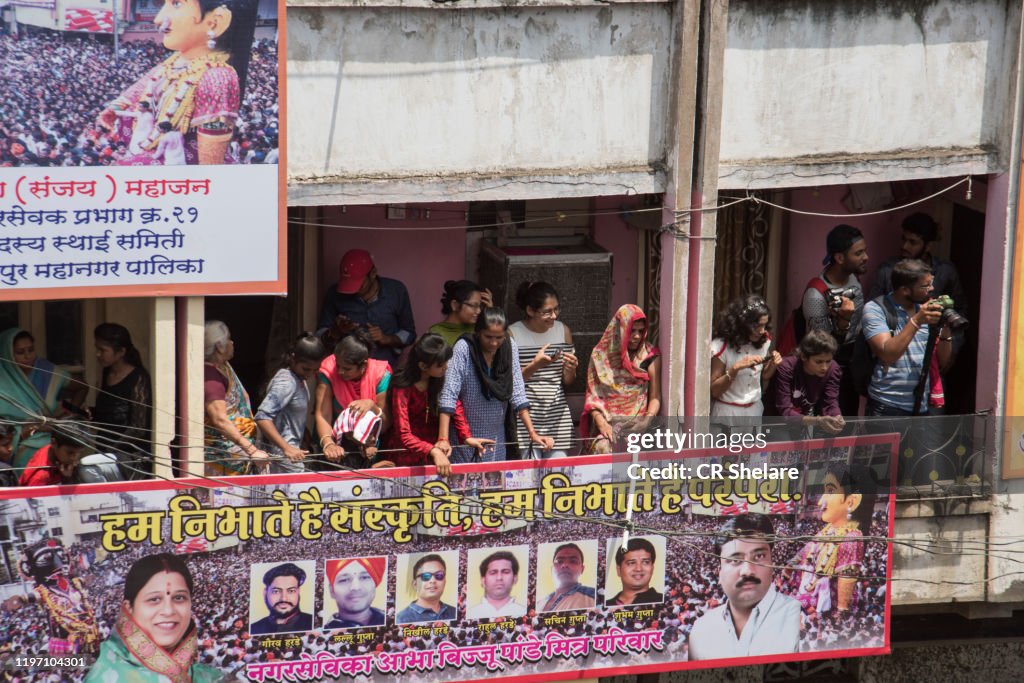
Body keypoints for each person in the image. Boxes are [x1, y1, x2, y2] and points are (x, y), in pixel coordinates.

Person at [97, 0, 259, 165]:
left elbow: (211, 167)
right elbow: (140, 89)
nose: (158, 19)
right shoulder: (172, 63)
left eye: (176, 4)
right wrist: (115, 109)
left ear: (215, 22)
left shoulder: (217, 76)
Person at [437, 308, 553, 462]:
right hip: (465, 436)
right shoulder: (464, 348)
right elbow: (449, 394)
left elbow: (518, 392)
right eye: (488, 337)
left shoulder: (509, 346)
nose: (493, 342)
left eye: (499, 337)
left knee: (495, 482)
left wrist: (533, 433)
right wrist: (443, 438)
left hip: (497, 436)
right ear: (478, 332)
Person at [85, 553, 219, 682]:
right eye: (154, 599)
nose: (168, 611)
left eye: (179, 598)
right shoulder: (100, 674)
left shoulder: (213, 677)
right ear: (129, 608)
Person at [688, 514, 801, 660]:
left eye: (759, 556)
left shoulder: (799, 619)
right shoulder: (701, 630)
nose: (748, 570)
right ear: (719, 573)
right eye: (735, 559)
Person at [386, 333, 488, 473]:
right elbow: (403, 434)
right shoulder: (403, 387)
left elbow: (454, 405)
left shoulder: (440, 379)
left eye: (447, 362)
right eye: (441, 364)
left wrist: (466, 437)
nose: (446, 367)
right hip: (406, 455)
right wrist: (432, 450)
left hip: (437, 452)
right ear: (423, 365)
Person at [863, 259, 952, 416]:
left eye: (931, 283)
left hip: (920, 406)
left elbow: (942, 363)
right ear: (905, 290)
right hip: (887, 406)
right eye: (925, 286)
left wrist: (945, 329)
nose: (931, 289)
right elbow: (887, 355)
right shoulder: (876, 309)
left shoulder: (927, 309)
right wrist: (917, 320)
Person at [802, 224, 869, 415]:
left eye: (865, 251)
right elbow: (823, 346)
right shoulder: (816, 295)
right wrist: (842, 322)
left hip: (852, 365)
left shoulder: (853, 278)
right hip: (827, 369)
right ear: (840, 258)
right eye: (859, 253)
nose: (866, 257)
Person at [792, 464, 877, 613]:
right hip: (808, 603)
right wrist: (785, 571)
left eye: (830, 491)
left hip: (827, 611)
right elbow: (801, 556)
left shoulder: (852, 537)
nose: (820, 502)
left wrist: (841, 612)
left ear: (851, 501)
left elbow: (846, 581)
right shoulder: (824, 533)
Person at [508, 282, 578, 458]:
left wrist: (571, 369)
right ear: (530, 311)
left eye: (556, 309)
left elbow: (568, 381)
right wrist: (535, 366)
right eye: (547, 312)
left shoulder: (564, 331)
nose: (554, 316)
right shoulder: (512, 334)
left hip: (557, 414)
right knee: (529, 477)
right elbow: (510, 383)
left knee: (559, 476)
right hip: (526, 417)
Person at [582, 305, 661, 454]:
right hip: (606, 426)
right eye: (632, 330)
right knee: (603, 448)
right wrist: (603, 425)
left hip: (637, 427)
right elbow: (592, 398)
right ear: (620, 329)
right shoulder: (600, 356)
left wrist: (647, 421)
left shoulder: (650, 356)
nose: (637, 336)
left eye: (640, 331)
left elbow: (655, 397)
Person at [869, 213, 968, 328]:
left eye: (913, 242)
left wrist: (948, 340)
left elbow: (959, 309)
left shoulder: (945, 271)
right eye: (904, 239)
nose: (905, 246)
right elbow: (873, 309)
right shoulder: (886, 271)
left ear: (928, 246)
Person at [318, 250, 415, 363]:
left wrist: (387, 338)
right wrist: (335, 331)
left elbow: (409, 333)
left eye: (360, 284)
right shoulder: (335, 294)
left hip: (384, 369)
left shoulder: (396, 291)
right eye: (349, 284)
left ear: (373, 273)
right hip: (347, 369)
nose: (355, 290)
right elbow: (319, 335)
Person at [314, 332, 391, 468]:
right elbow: (323, 415)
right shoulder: (328, 371)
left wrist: (371, 406)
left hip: (371, 445)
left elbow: (385, 423)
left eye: (347, 369)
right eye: (338, 365)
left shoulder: (381, 374)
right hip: (335, 444)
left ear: (363, 365)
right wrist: (329, 443)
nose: (340, 372)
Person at [0, 328, 73, 469]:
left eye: (31, 350)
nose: (27, 356)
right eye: (20, 352)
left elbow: (82, 387)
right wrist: (24, 431)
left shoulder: (46, 371)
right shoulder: (2, 380)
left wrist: (68, 413)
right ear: (7, 354)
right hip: (14, 447)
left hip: (51, 442)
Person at [203, 321, 268, 476]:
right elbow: (220, 420)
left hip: (238, 453)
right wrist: (251, 450)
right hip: (222, 457)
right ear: (219, 346)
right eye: (229, 339)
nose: (232, 343)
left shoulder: (223, 366)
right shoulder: (211, 377)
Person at [255, 333, 325, 474]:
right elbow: (262, 417)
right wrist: (286, 447)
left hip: (293, 454)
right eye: (306, 369)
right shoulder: (286, 382)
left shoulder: (299, 379)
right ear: (293, 359)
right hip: (282, 458)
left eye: (315, 370)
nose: (310, 374)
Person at [92, 323, 153, 479]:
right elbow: (109, 412)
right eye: (97, 349)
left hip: (129, 457)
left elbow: (139, 428)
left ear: (121, 352)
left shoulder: (139, 378)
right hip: (105, 451)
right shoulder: (106, 372)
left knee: (88, 470)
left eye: (103, 350)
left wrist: (112, 448)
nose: (98, 354)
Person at [709, 296, 782, 417]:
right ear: (742, 323)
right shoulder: (721, 346)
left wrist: (773, 364)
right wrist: (736, 368)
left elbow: (764, 375)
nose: (762, 331)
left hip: (754, 410)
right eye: (757, 326)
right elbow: (715, 391)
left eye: (764, 325)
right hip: (727, 413)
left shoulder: (764, 341)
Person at [773, 330, 845, 435]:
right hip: (776, 423)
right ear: (803, 357)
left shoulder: (833, 369)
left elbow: (830, 402)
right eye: (818, 362)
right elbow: (784, 409)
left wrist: (837, 417)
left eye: (828, 361)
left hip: (803, 421)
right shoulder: (787, 367)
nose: (824, 367)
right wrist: (817, 421)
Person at [250, 563, 314, 635]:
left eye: (291, 591)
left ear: (298, 592)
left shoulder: (313, 623)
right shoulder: (254, 628)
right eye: (276, 591)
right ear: (265, 593)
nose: (283, 598)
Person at [324, 558, 387, 629]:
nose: (355, 587)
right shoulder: (326, 630)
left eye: (364, 577)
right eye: (344, 580)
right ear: (331, 591)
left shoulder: (389, 619)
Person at [428, 280, 492, 347]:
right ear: (455, 305)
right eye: (474, 305)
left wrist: (491, 314)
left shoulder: (479, 329)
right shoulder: (435, 334)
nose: (479, 311)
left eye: (480, 306)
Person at [396, 554, 457, 623]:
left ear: (445, 582)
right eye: (425, 576)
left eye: (439, 575)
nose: (433, 581)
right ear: (415, 584)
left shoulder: (454, 612)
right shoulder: (401, 619)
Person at [467, 551, 527, 619]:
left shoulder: (523, 611)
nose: (499, 578)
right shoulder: (471, 613)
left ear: (515, 578)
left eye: (505, 572)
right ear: (483, 580)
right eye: (493, 573)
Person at [19, 428, 87, 487]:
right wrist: (67, 480)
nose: (74, 458)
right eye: (70, 453)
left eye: (79, 453)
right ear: (53, 443)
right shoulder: (41, 477)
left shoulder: (53, 452)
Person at [539, 543, 596, 612]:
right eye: (559, 561)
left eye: (573, 561)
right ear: (552, 569)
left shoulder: (593, 596)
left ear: (582, 569)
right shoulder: (540, 602)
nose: (564, 565)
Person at [606, 537, 663, 606]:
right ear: (618, 570)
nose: (638, 569)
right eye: (631, 563)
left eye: (645, 562)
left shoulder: (662, 600)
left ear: (652, 568)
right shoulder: (606, 604)